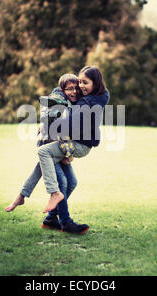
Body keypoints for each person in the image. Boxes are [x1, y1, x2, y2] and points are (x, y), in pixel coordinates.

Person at [5, 74, 89, 233]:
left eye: (76, 88)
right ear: (63, 90)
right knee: (62, 183)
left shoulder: (69, 103)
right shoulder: (60, 102)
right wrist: (69, 153)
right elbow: (60, 129)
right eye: (70, 89)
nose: (74, 92)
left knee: (72, 182)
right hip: (49, 145)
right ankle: (65, 222)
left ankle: (50, 217)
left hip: (57, 147)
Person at [37, 66, 109, 214]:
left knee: (65, 182)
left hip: (72, 142)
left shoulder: (86, 103)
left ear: (95, 83)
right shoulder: (89, 99)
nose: (80, 86)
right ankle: (60, 220)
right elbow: (65, 89)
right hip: (57, 141)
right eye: (79, 82)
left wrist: (51, 124)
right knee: (67, 182)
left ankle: (53, 217)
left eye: (85, 82)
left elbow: (73, 127)